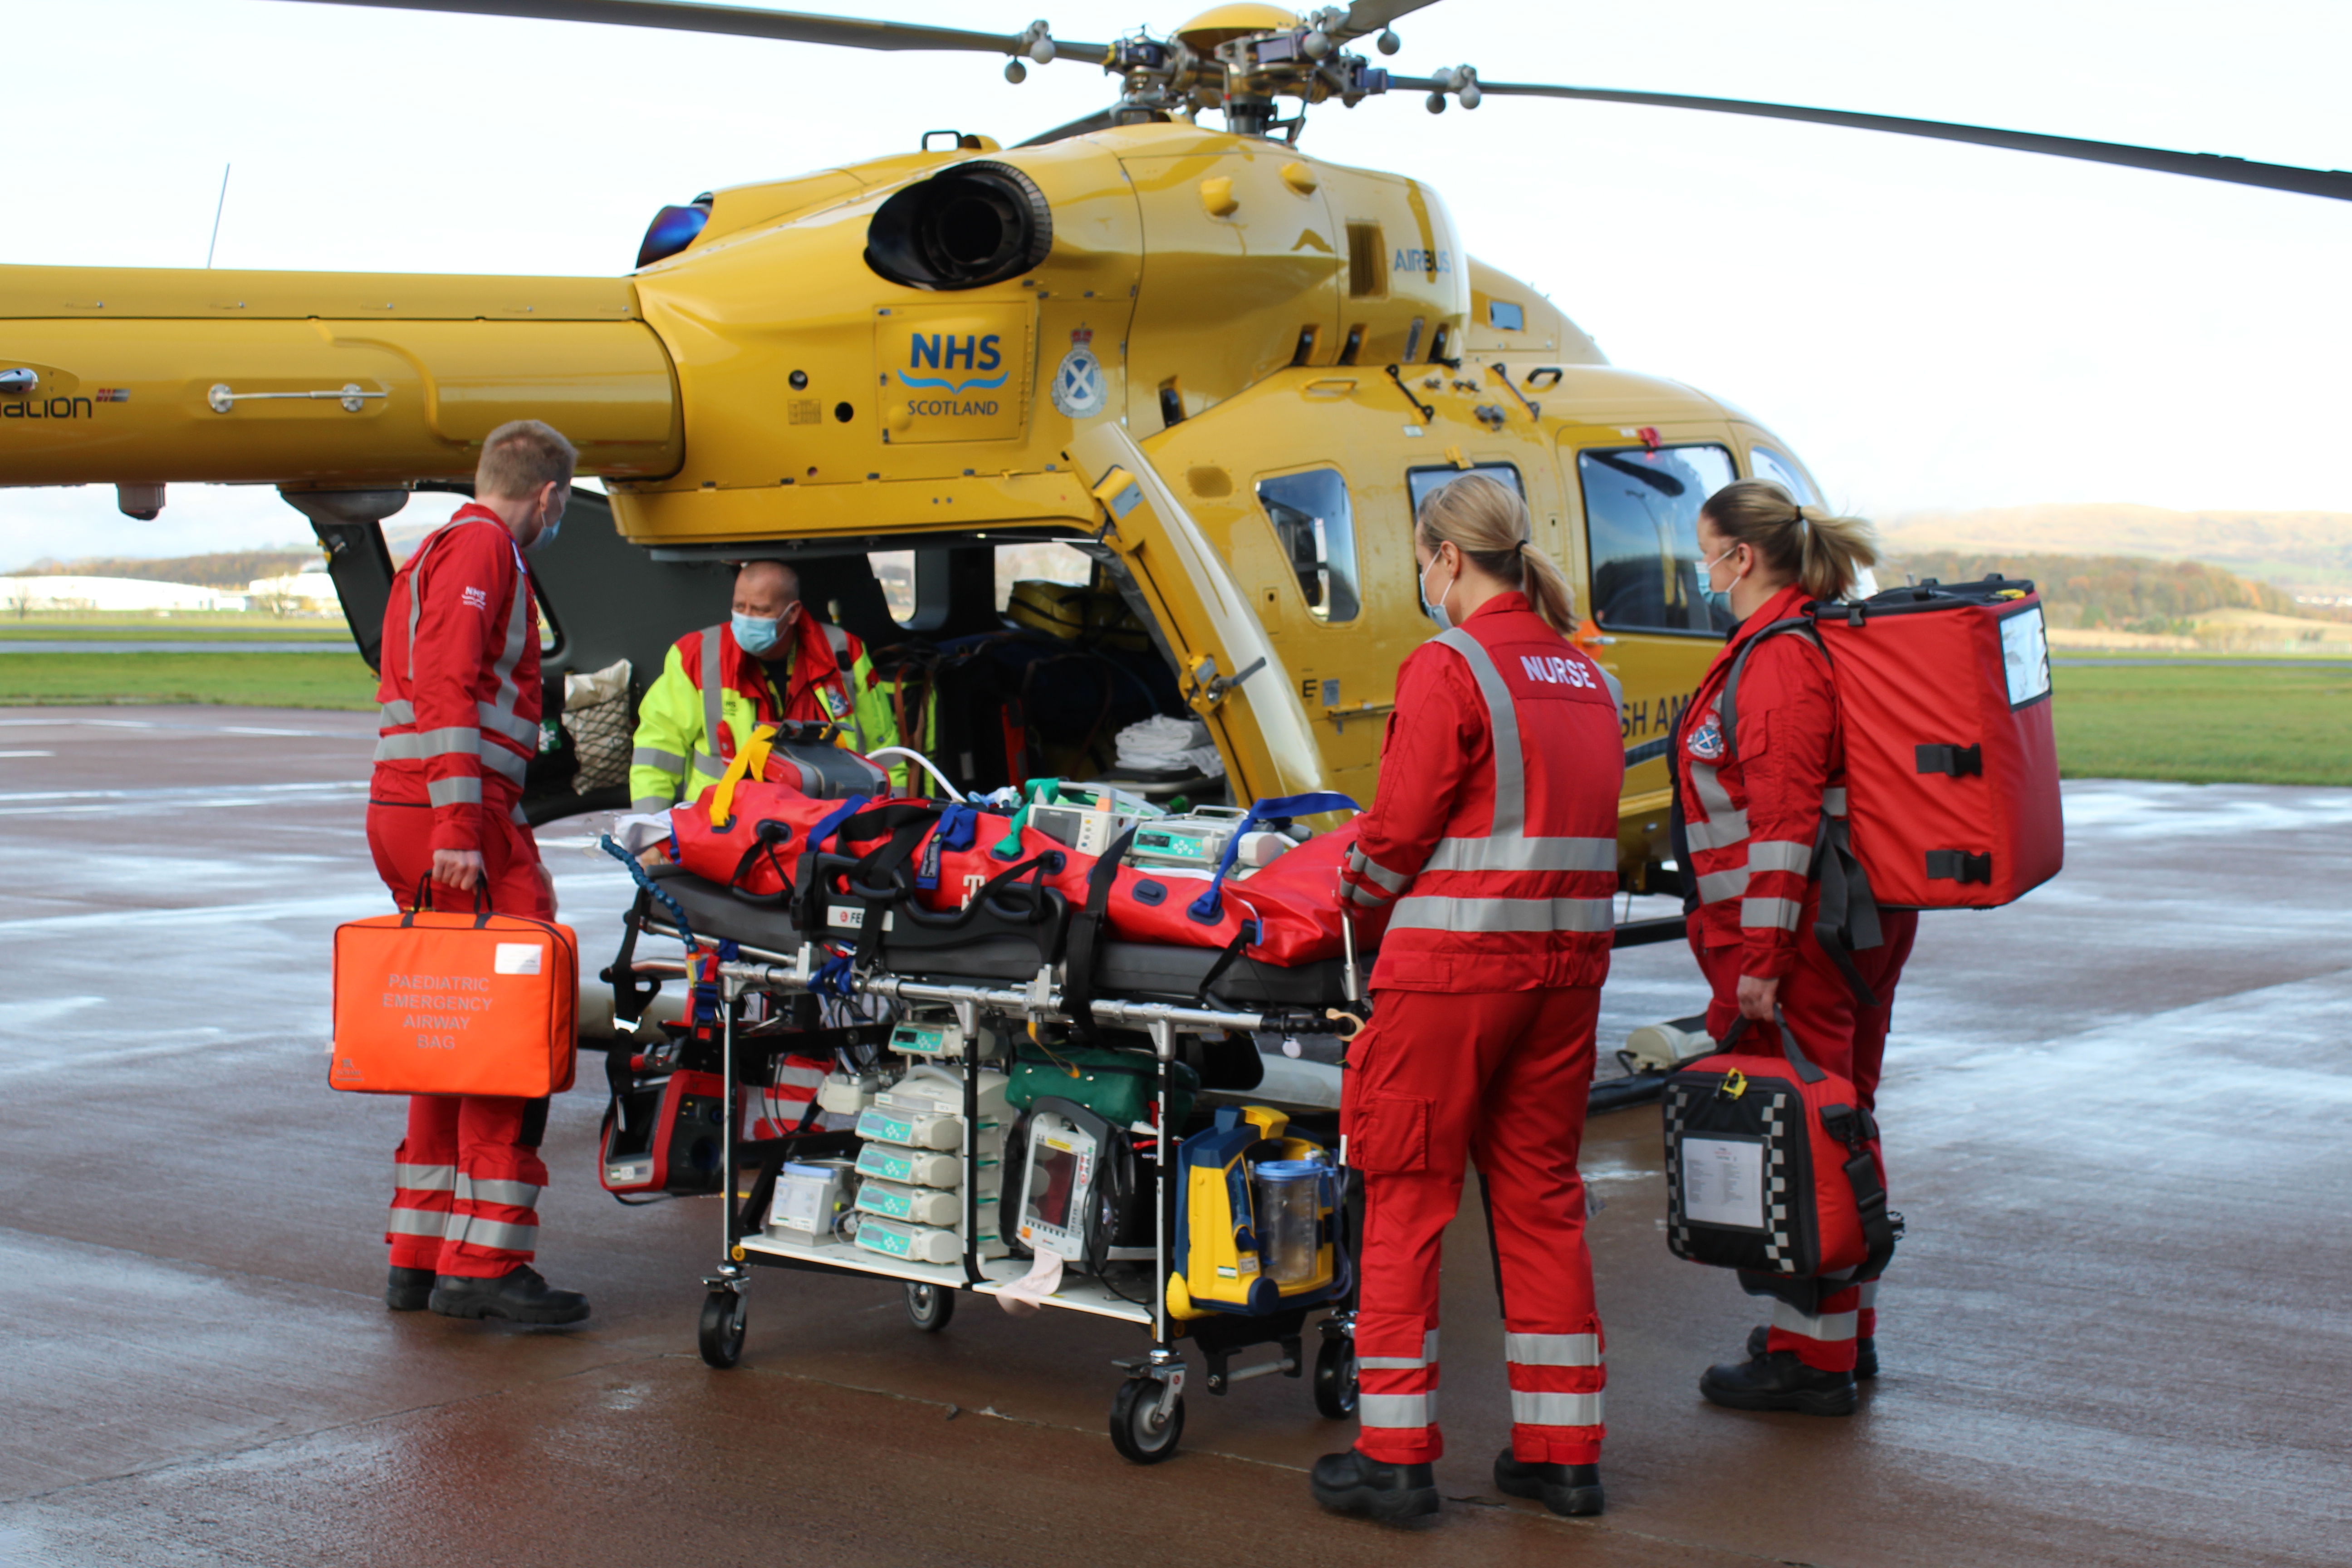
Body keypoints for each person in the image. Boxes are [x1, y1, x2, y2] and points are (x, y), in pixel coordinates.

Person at [1313, 475, 1627, 1524]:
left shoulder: (1449, 665)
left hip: (1450, 977)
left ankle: (1394, 1457)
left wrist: (1345, 903)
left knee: (1405, 1194)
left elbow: (1395, 832)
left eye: (1419, 558)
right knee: (1539, 1193)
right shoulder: (1588, 677)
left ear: (1446, 557)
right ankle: (1561, 1451)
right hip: (1566, 975)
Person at [1674, 478, 1917, 1414]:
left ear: (1741, 557)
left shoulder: (1777, 660)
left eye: (1707, 552)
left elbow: (1781, 825)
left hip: (1806, 937)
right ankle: (1835, 1333)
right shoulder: (1799, 642)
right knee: (1842, 1116)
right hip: (1844, 923)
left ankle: (1811, 1363)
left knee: (1813, 1132)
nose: (1703, 570)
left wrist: (1761, 965)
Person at [368, 419, 591, 1326]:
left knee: (445, 1030)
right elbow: (452, 686)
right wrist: (464, 822)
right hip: (461, 824)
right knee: (512, 1028)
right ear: (549, 496)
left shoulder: (436, 550)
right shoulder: (488, 550)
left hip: (413, 813)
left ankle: (419, 1256)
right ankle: (485, 1268)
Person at [628, 558, 903, 811]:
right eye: (739, 607)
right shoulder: (696, 656)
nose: (746, 618)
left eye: (760, 610)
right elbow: (658, 748)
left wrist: (895, 818)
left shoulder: (844, 652)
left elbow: (886, 748)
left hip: (828, 821)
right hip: (725, 824)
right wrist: (649, 831)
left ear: (793, 613)